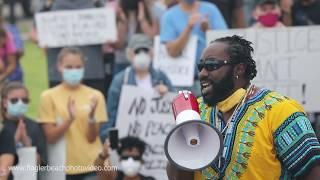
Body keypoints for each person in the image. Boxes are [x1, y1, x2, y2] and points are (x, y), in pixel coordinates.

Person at [167, 35, 320, 179]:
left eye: (211, 66)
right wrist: (185, 133)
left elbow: (312, 173)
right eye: (200, 67)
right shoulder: (195, 111)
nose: (202, 74)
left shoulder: (280, 110)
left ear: (239, 69)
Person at [39, 47, 107, 180]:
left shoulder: (95, 95)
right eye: (69, 67)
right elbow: (51, 137)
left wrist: (92, 117)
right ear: (59, 67)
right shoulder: (48, 96)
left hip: (91, 165)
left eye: (78, 67)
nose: (74, 71)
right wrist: (69, 120)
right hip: (63, 167)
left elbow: (92, 138)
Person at [100, 34, 173, 141]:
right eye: (137, 51)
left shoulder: (161, 77)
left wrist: (168, 94)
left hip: (156, 139)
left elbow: (175, 107)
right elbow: (111, 115)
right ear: (129, 54)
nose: (142, 55)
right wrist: (109, 138)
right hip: (129, 139)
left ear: (152, 53)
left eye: (145, 51)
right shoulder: (120, 81)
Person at [160, 0, 227, 96]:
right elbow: (172, 51)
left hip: (210, 80)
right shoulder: (169, 16)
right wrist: (188, 27)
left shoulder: (211, 9)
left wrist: (208, 30)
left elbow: (226, 44)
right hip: (181, 83)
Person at [42, 0, 107, 95]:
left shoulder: (96, 3)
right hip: (59, 74)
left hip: (92, 70)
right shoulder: (50, 3)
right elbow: (35, 31)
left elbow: (110, 27)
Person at [1, 82, 47, 177]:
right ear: (5, 102)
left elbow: (41, 165)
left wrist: (27, 143)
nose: (20, 103)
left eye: (24, 100)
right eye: (14, 100)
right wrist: (14, 142)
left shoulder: (34, 126)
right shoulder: (1, 127)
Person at [112, 0, 158, 74]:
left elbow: (152, 38)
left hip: (145, 62)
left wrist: (142, 19)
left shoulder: (152, 12)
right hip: (123, 63)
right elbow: (118, 44)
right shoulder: (116, 14)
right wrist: (123, 23)